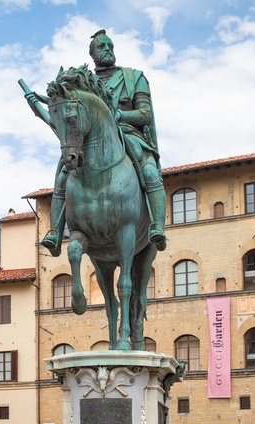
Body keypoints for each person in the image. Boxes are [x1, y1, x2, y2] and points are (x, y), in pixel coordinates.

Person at [26, 29, 167, 257]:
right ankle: (55, 231)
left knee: (149, 169)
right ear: (92, 54)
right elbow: (66, 121)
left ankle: (157, 227)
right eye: (102, 47)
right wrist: (40, 109)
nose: (108, 50)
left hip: (126, 133)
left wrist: (120, 116)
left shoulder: (134, 77)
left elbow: (145, 114)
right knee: (63, 172)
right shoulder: (82, 84)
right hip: (87, 142)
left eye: (110, 46)